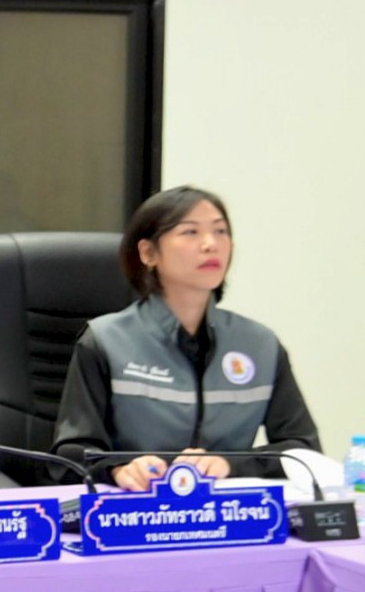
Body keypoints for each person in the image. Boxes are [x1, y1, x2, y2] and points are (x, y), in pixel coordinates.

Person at [52, 185, 319, 491]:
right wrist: (117, 469)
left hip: (229, 510)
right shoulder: (105, 340)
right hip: (134, 505)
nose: (211, 244)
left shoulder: (260, 345)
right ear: (148, 253)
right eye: (190, 232)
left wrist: (230, 464)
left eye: (220, 231)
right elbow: (70, 454)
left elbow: (303, 449)